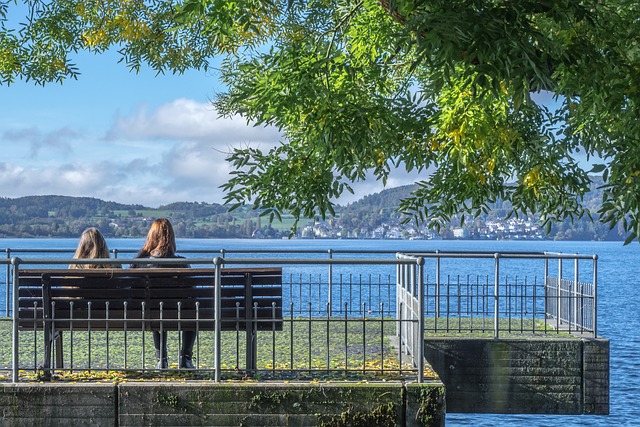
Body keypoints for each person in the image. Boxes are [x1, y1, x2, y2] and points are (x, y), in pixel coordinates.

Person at [131, 218, 196, 370]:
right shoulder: (182, 264)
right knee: (192, 309)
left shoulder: (139, 263)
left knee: (156, 308)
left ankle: (162, 359)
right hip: (181, 314)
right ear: (171, 238)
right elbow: (192, 294)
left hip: (148, 313)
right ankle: (186, 359)